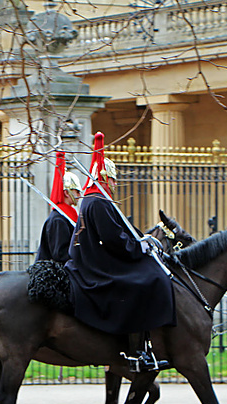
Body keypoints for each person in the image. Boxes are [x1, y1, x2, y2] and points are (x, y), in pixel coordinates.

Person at [64, 132, 175, 373]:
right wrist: (139, 247)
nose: (115, 185)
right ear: (104, 178)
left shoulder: (94, 200)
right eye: (113, 180)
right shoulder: (98, 202)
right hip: (99, 265)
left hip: (94, 261)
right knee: (149, 279)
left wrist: (141, 238)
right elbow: (113, 239)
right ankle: (136, 351)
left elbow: (121, 228)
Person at [36, 151, 82, 264]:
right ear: (67, 193)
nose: (79, 196)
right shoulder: (58, 220)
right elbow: (60, 254)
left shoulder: (65, 216)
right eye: (77, 192)